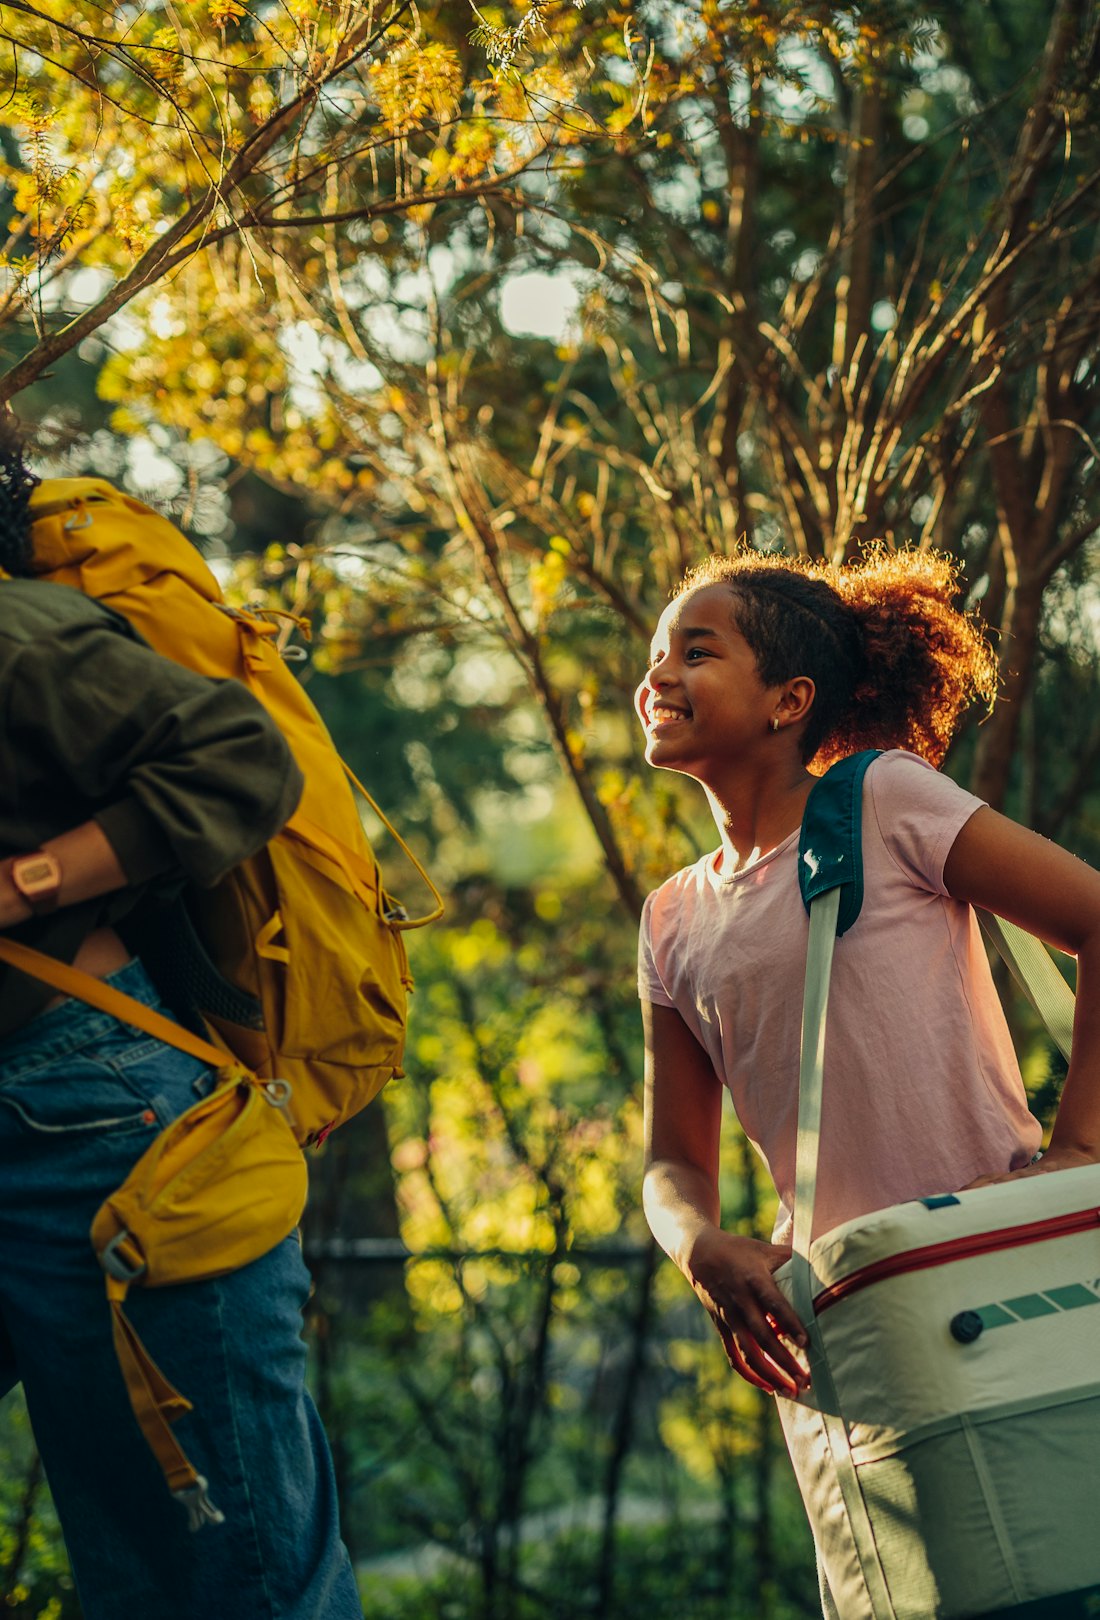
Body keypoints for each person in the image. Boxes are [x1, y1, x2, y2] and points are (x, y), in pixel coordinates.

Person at [636, 549, 1100, 1575]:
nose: (655, 676)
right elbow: (671, 1159)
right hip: (842, 1320)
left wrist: (1079, 1145)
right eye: (655, 654)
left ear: (786, 700)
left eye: (694, 651)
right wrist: (695, 1247)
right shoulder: (668, 918)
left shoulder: (883, 798)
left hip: (998, 1275)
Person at [0, 418, 365, 1620]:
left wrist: (26, 882)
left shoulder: (18, 634)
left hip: (105, 1132)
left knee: (228, 1585)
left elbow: (236, 759)